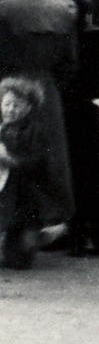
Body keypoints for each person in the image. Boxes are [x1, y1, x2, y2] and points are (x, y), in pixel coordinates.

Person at [0, 0, 76, 268]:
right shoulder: (61, 13)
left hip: (9, 94)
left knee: (7, 165)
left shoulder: (3, 10)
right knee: (43, 168)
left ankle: (12, 240)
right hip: (47, 96)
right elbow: (71, 65)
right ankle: (25, 244)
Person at [49, 0, 99, 256]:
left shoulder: (89, 38)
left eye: (69, 6)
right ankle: (73, 233)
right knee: (73, 176)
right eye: (58, 6)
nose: (64, 12)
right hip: (66, 111)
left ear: (80, 9)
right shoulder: (57, 36)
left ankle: (91, 237)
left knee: (87, 176)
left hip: (82, 113)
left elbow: (92, 79)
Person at [0, 77, 50, 267]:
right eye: (7, 104)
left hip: (26, 188)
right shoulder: (2, 128)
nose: (10, 109)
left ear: (28, 108)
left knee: (20, 254)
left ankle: (40, 238)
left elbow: (37, 160)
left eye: (16, 105)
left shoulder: (33, 131)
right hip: (6, 186)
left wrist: (11, 160)